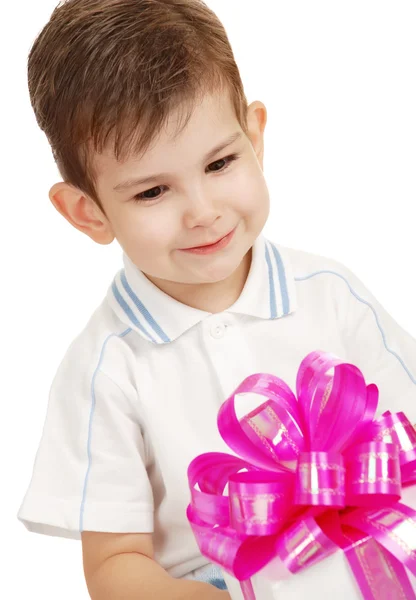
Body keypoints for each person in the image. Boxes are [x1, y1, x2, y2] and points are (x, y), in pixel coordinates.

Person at [17, 1, 416, 599]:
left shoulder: (331, 296)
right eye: (153, 191)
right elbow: (114, 568)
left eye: (221, 162)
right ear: (89, 211)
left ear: (255, 137)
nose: (203, 212)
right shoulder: (106, 370)